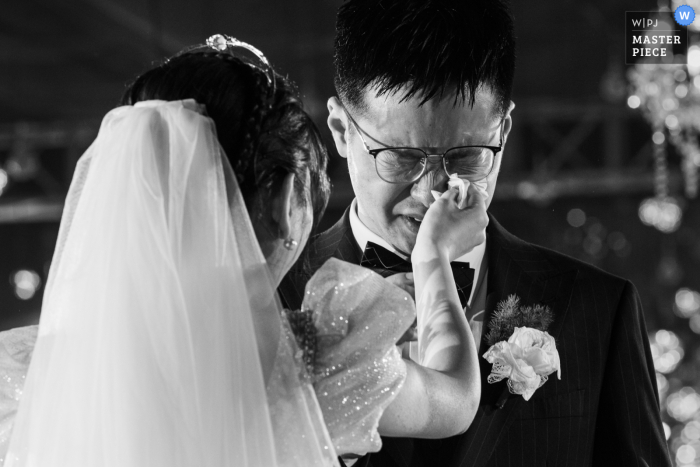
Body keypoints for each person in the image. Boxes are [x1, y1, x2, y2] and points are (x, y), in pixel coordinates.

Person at [0, 35, 486, 466]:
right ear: (283, 200)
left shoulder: (26, 373)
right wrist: (433, 258)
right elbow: (456, 399)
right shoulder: (315, 359)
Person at [279, 1, 673, 466]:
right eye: (401, 157)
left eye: (465, 157)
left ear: (502, 131)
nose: (430, 193)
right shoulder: (274, 297)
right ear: (342, 131)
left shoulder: (596, 309)